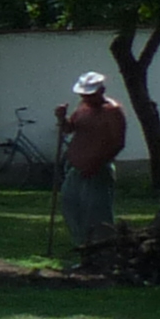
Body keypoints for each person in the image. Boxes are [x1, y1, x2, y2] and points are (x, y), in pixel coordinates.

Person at [54, 68, 127, 262]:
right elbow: (69, 129)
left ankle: (104, 255)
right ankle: (83, 251)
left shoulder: (112, 111)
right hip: (75, 169)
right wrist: (62, 118)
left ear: (101, 91)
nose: (86, 98)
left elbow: (118, 143)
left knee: (97, 215)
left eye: (90, 94)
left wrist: (96, 163)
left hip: (97, 171)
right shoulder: (82, 108)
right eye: (83, 94)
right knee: (71, 207)